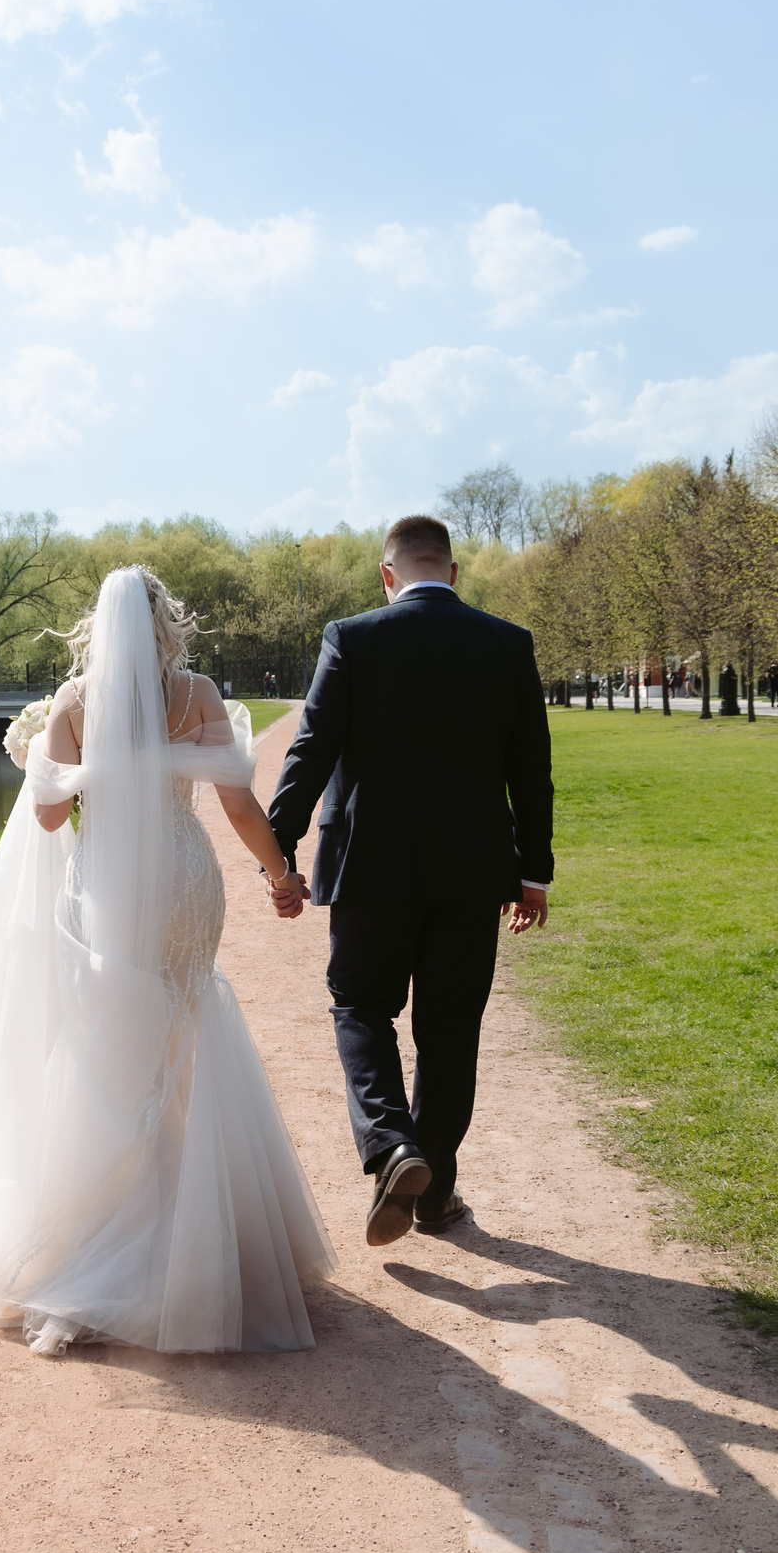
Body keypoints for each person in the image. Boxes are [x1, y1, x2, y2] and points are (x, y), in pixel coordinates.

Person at [0, 566, 335, 1354]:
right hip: (183, 881)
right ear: (162, 623)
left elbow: (44, 818)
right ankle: (196, 1238)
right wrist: (281, 875)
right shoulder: (198, 695)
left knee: (104, 1052)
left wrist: (51, 760)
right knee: (180, 1036)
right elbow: (241, 803)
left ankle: (93, 1247)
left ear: (96, 629)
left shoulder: (75, 704)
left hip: (104, 886)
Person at [264, 515, 554, 1247]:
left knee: (360, 1004)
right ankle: (437, 1193)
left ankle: (393, 1146)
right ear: (453, 572)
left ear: (386, 575)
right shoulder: (507, 643)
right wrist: (533, 871)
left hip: (370, 866)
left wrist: (281, 847)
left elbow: (312, 747)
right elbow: (531, 769)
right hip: (472, 871)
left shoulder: (353, 637)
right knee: (450, 1031)